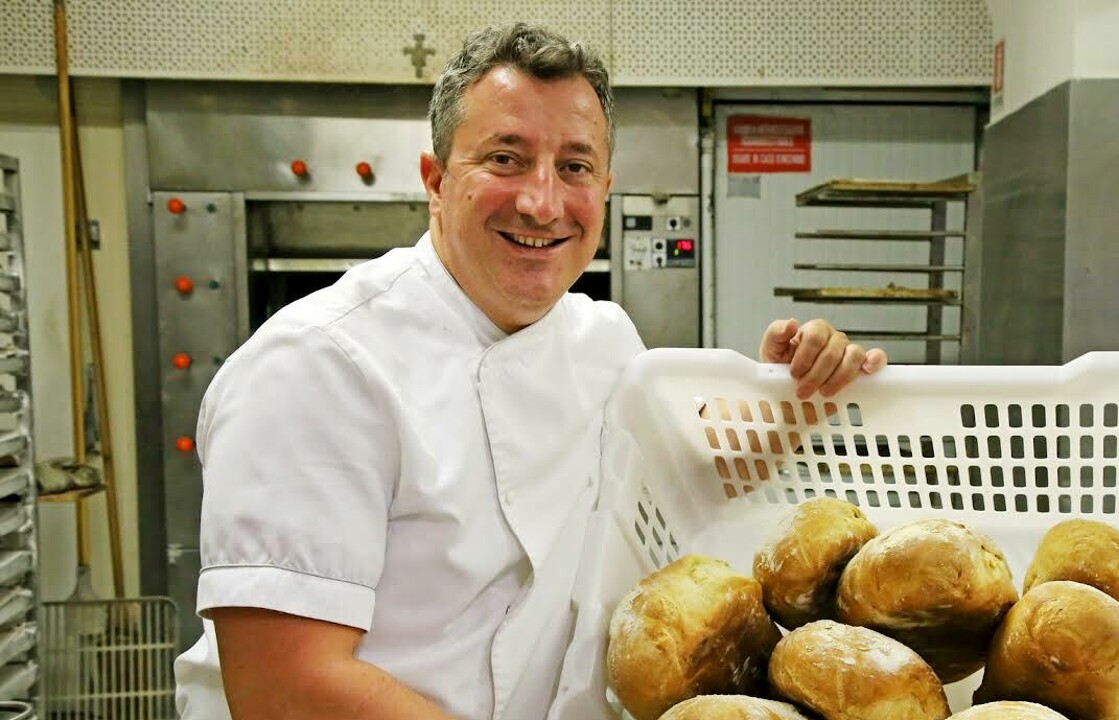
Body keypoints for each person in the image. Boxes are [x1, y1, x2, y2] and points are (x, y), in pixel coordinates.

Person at [172, 21, 888, 720]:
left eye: (574, 167)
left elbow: (692, 469)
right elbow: (287, 687)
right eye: (505, 159)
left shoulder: (601, 339)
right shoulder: (318, 366)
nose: (542, 203)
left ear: (604, 188)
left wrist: (789, 390)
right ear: (435, 181)